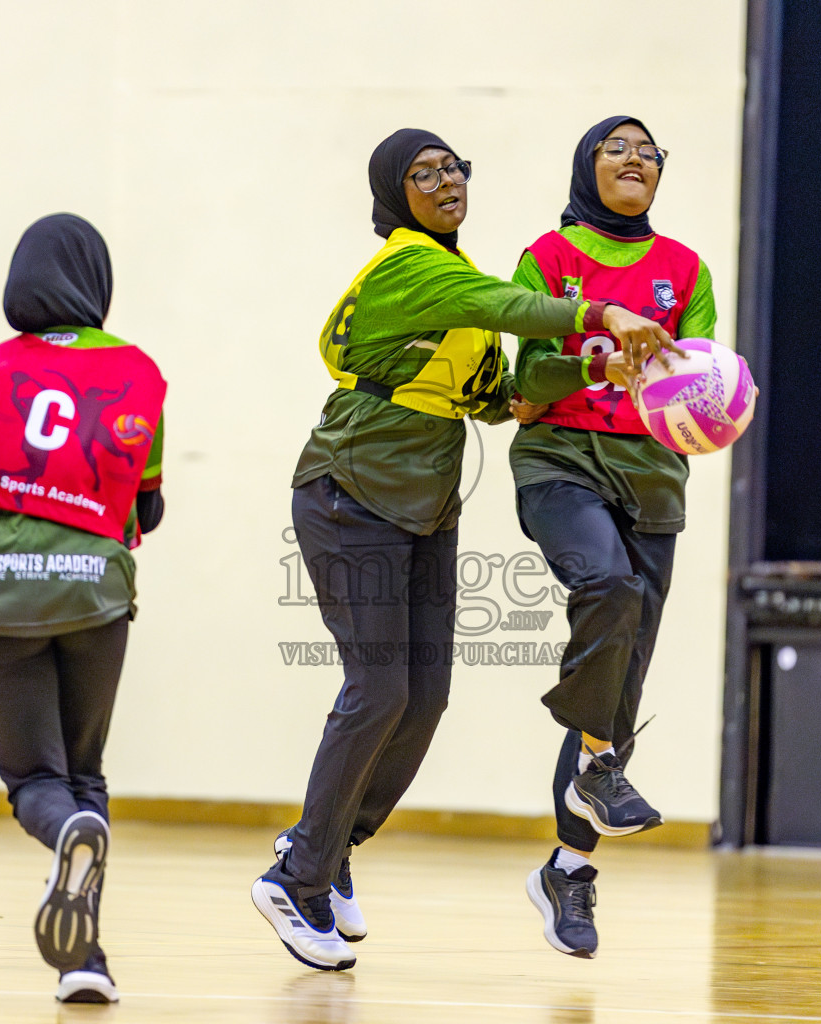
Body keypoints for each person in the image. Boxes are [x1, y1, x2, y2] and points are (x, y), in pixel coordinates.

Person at [251, 128, 676, 972]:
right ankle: (295, 876)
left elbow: (510, 396)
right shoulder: (415, 267)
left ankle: (331, 851)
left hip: (426, 507)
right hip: (350, 493)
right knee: (377, 689)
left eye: (455, 168)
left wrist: (595, 364)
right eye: (424, 172)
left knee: (425, 697)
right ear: (393, 193)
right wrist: (600, 311)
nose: (446, 181)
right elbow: (510, 307)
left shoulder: (458, 283)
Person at [0, 213, 167, 1004]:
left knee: (34, 777)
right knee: (85, 772)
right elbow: (150, 506)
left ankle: (67, 861)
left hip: (0, 588)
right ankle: (85, 960)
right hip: (94, 593)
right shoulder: (136, 372)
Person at [509, 116, 715, 959]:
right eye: (616, 147)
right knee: (608, 587)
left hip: (653, 478)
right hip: (561, 459)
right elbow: (525, 377)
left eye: (649, 151)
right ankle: (598, 764)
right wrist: (597, 359)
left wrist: (711, 397)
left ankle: (569, 869)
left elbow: (701, 382)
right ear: (585, 167)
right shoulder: (549, 257)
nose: (635, 158)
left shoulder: (686, 269)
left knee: (622, 683)